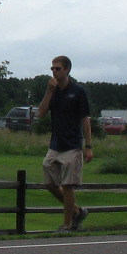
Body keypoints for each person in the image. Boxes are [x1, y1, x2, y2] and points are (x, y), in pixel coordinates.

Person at [36, 56, 93, 232]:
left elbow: (85, 119)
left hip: (72, 145)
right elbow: (41, 113)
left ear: (67, 70)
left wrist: (88, 146)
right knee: (49, 182)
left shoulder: (77, 91)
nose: (54, 71)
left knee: (68, 185)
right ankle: (76, 211)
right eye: (52, 68)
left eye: (58, 68)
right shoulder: (53, 92)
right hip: (55, 145)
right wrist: (49, 91)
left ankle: (67, 225)